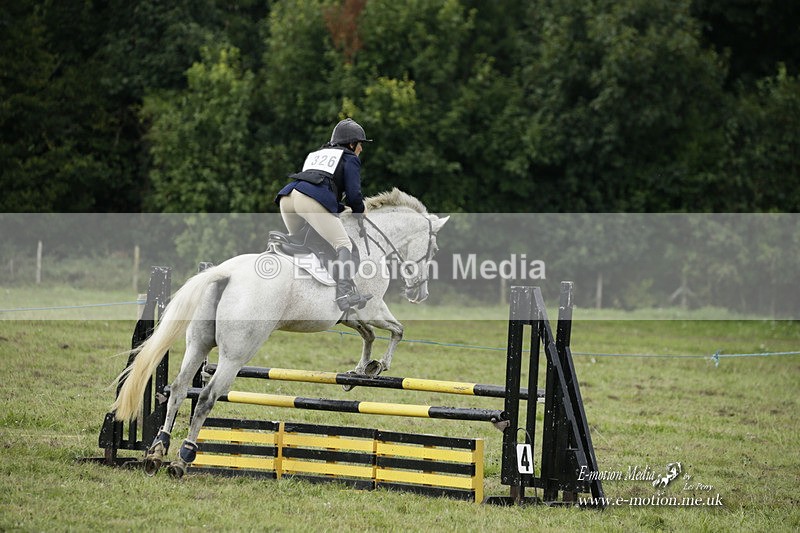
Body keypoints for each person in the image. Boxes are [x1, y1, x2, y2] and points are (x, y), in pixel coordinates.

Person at [275, 118, 372, 311]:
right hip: (309, 200)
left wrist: (340, 207)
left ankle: (299, 289)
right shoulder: (350, 158)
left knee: (303, 242)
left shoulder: (318, 153)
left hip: (287, 197)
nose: (361, 149)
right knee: (343, 244)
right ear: (351, 144)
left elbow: (321, 185)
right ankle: (344, 294)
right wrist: (359, 211)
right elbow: (354, 194)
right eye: (360, 144)